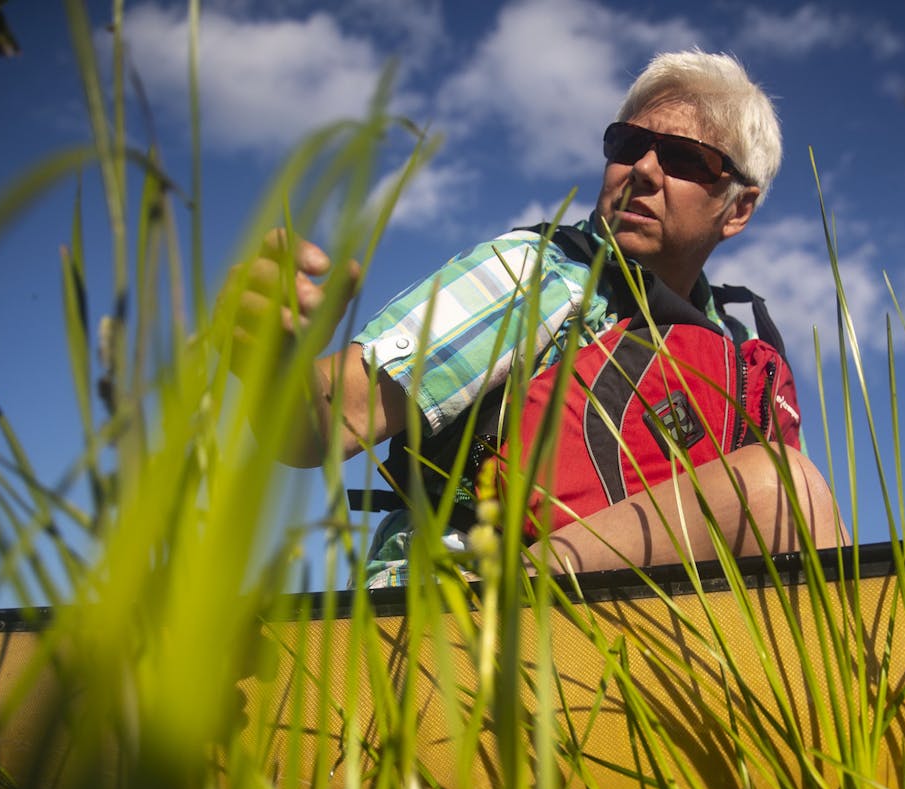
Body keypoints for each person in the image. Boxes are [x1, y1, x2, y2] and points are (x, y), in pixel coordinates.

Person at [229, 50, 844, 587]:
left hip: (654, 643)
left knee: (805, 507)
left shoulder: (734, 356)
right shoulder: (537, 276)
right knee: (780, 487)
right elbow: (318, 425)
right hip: (456, 610)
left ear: (737, 210)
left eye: (686, 158)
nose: (644, 170)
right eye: (628, 145)